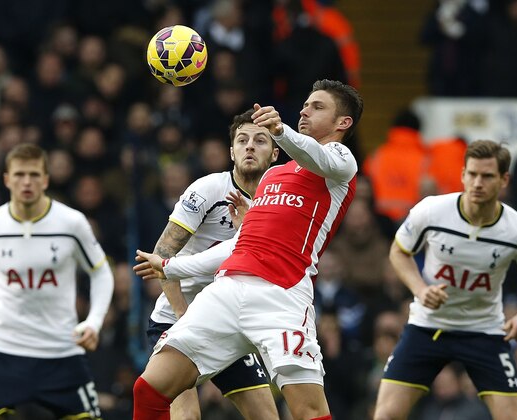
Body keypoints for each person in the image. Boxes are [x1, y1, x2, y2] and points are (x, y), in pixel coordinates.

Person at [132, 79, 363, 420]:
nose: (304, 110)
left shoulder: (341, 164)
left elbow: (320, 158)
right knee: (148, 389)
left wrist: (281, 131)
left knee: (309, 411)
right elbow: (241, 245)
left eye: (317, 106)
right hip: (226, 290)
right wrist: (171, 267)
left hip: (280, 296)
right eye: (305, 104)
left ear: (342, 123)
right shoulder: (273, 177)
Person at [373, 140, 517, 420]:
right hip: (428, 325)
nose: (478, 183)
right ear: (463, 175)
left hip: (485, 329)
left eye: (487, 176)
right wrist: (420, 289)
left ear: (504, 180)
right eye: (472, 174)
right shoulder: (431, 211)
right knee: (386, 415)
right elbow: (399, 251)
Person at [0, 143, 114, 420]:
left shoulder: (71, 223)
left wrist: (94, 321)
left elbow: (101, 271)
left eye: (33, 174)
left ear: (45, 179)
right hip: (5, 349)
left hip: (61, 349)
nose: (26, 182)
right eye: (19, 175)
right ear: (6, 179)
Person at [144, 109, 280, 419]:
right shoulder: (207, 190)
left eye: (260, 141)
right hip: (178, 319)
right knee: (186, 417)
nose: (249, 146)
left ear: (274, 153)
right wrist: (185, 318)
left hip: (229, 323)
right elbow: (163, 255)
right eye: (242, 140)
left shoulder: (276, 202)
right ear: (231, 151)